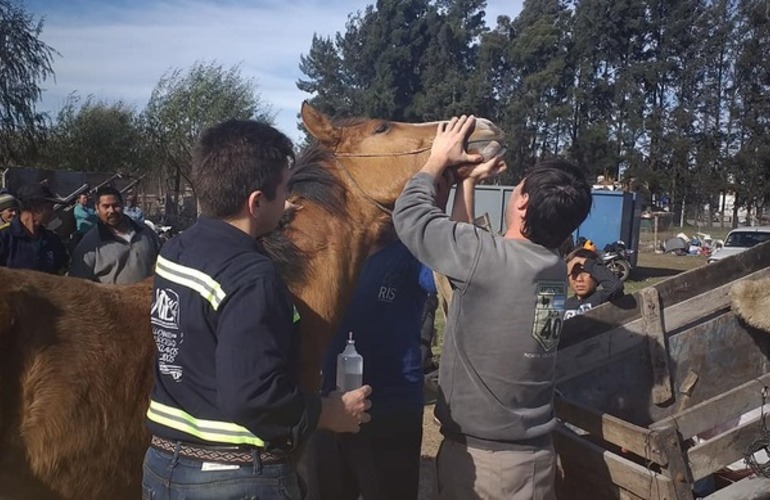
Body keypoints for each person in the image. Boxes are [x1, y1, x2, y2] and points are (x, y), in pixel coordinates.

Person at [141, 119, 371, 500]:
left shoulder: (175, 251)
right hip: (234, 477)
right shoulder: (252, 277)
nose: (288, 202)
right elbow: (251, 397)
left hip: (164, 465)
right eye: (284, 190)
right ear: (256, 202)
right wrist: (327, 413)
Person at [392, 115, 593, 500]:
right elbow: (468, 253)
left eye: (518, 185)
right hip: (530, 458)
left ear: (522, 202)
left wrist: (436, 161)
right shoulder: (550, 267)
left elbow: (411, 216)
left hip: (488, 468)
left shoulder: (492, 260)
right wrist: (465, 181)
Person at [304, 223, 436, 500]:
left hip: (390, 410)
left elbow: (448, 274)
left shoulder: (412, 254)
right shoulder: (331, 252)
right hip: (329, 406)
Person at [69, 186, 161, 284]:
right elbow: (78, 285)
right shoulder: (89, 245)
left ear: (122, 205)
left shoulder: (146, 232)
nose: (111, 211)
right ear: (97, 208)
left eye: (115, 205)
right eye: (106, 206)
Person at [0, 184, 68, 274]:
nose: (52, 212)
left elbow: (62, 271)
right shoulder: (4, 237)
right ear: (34, 208)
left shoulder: (53, 240)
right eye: (49, 207)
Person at [563, 247, 624, 319]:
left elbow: (616, 286)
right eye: (574, 273)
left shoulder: (601, 298)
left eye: (585, 273)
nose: (579, 279)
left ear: (596, 275)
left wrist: (585, 262)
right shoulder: (565, 306)